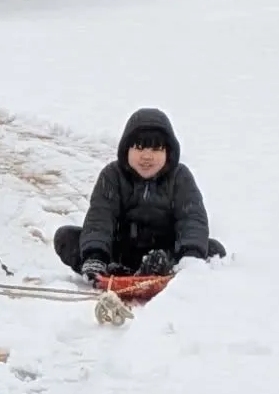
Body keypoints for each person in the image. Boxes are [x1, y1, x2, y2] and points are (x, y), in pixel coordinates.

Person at [54, 107, 227, 283]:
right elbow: (100, 217)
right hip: (120, 251)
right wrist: (95, 255)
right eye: (139, 148)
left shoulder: (180, 177)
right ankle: (109, 270)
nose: (146, 156)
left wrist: (190, 255)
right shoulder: (112, 175)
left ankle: (165, 271)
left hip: (164, 253)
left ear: (168, 152)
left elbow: (191, 218)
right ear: (126, 149)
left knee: (213, 249)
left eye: (156, 149)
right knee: (66, 237)